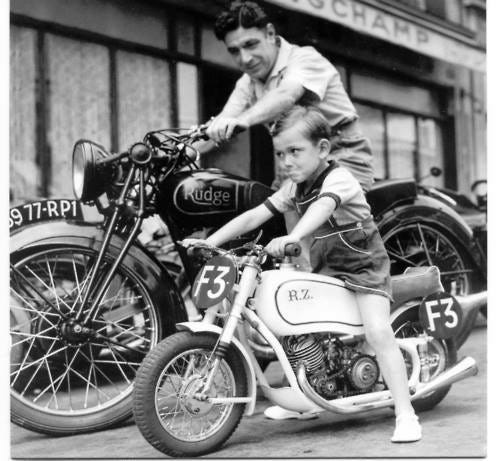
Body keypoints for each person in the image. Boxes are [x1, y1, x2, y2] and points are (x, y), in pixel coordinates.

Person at [184, 106, 422, 443]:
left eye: (295, 151)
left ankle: (405, 413)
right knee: (294, 327)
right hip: (326, 267)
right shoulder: (293, 187)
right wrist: (209, 242)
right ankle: (306, 398)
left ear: (322, 149)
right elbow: (254, 216)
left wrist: (294, 237)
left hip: (363, 268)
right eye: (281, 154)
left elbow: (323, 206)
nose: (286, 162)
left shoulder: (339, 178)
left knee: (378, 332)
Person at [206, 0, 374, 192]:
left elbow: (287, 94)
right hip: (293, 158)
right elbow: (224, 119)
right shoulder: (247, 83)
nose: (245, 59)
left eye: (251, 44)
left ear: (270, 33)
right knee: (263, 209)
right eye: (234, 51)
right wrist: (185, 147)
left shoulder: (304, 58)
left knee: (324, 208)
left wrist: (242, 120)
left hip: (341, 151)